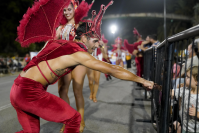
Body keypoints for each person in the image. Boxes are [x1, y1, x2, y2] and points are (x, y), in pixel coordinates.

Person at [12, 0, 154, 132]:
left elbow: (39, 56)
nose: (99, 45)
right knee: (74, 119)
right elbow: (113, 70)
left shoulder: (54, 42)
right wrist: (142, 81)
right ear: (84, 38)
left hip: (17, 87)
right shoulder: (79, 53)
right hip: (29, 90)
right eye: (95, 41)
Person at [54, 1, 94, 132]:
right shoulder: (61, 27)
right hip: (64, 60)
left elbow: (88, 43)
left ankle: (81, 122)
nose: (66, 13)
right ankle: (68, 120)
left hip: (78, 61)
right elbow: (53, 42)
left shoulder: (80, 26)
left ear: (75, 9)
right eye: (64, 10)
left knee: (77, 91)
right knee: (62, 90)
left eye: (69, 10)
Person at [171, 66, 199, 133]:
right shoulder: (185, 90)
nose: (185, 78)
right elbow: (172, 92)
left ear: (197, 82)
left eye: (188, 77)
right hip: (184, 126)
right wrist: (158, 87)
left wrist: (197, 114)